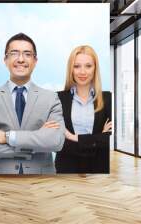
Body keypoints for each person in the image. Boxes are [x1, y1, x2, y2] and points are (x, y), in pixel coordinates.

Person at [0, 33, 65, 174]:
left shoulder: (51, 99)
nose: (21, 59)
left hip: (41, 181)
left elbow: (56, 142)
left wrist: (6, 137)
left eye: (27, 54)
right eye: (14, 53)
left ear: (35, 61)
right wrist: (37, 139)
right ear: (5, 59)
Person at [55, 45, 112, 173]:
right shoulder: (57, 98)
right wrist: (96, 139)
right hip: (66, 168)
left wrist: (73, 137)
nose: (82, 72)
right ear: (71, 69)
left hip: (99, 168)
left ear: (95, 69)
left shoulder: (108, 98)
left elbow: (109, 140)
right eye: (77, 66)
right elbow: (56, 142)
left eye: (88, 66)